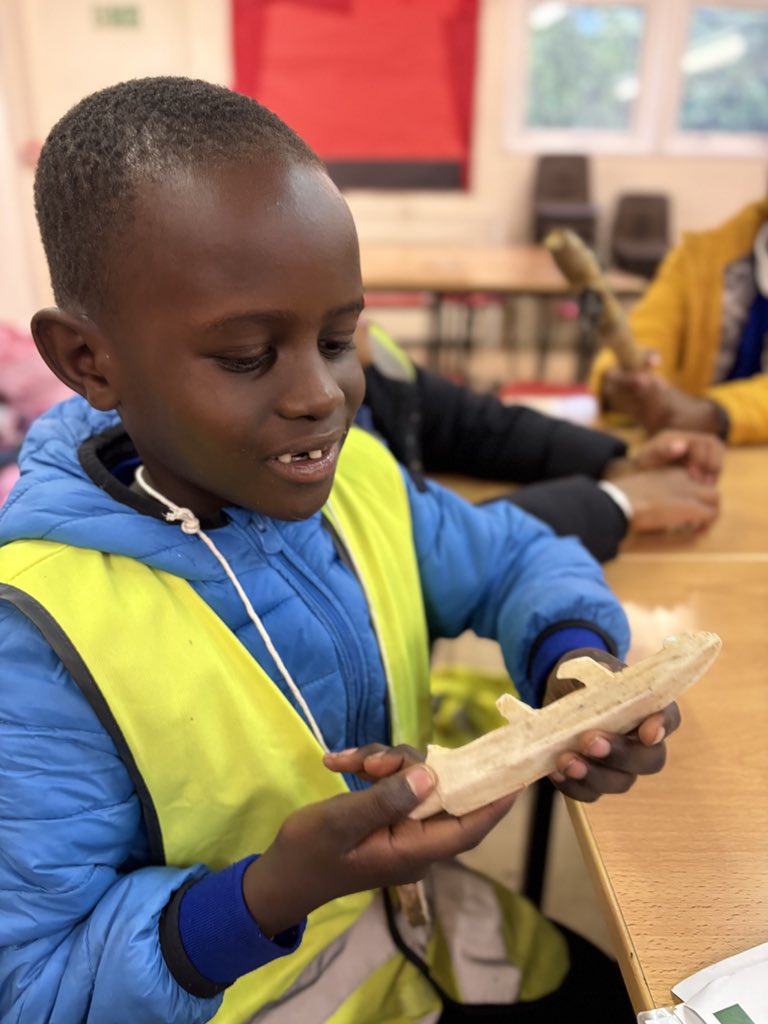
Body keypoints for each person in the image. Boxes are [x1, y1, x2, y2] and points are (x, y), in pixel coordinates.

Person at [0, 77, 680, 1024]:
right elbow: (34, 987)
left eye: (339, 336)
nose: (321, 393)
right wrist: (270, 893)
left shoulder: (357, 477)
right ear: (87, 361)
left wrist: (572, 663)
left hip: (435, 945)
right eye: (247, 356)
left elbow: (515, 556)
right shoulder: (36, 641)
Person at [357, 319, 723, 563]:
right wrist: (619, 504)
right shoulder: (310, 425)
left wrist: (618, 466)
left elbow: (468, 423)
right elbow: (420, 558)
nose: (364, 322)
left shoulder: (363, 344)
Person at [590, 198, 768, 445]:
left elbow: (700, 415)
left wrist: (715, 414)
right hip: (692, 461)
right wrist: (627, 383)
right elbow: (647, 332)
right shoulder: (702, 256)